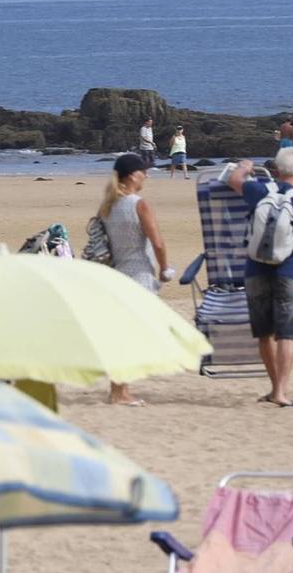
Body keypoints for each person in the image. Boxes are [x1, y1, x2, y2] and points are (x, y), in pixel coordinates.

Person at [226, 148, 293, 407]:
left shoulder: (259, 191)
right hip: (289, 272)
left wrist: (245, 165)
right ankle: (281, 391)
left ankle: (273, 389)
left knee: (265, 333)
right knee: (287, 333)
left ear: (277, 170)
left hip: (255, 269)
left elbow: (233, 180)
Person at [98, 152, 172, 405]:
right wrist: (164, 269)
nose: (147, 175)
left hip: (116, 273)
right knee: (130, 336)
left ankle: (120, 388)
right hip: (138, 273)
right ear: (132, 175)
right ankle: (119, 392)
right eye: (143, 171)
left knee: (123, 334)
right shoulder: (139, 204)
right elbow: (158, 242)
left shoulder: (108, 206)